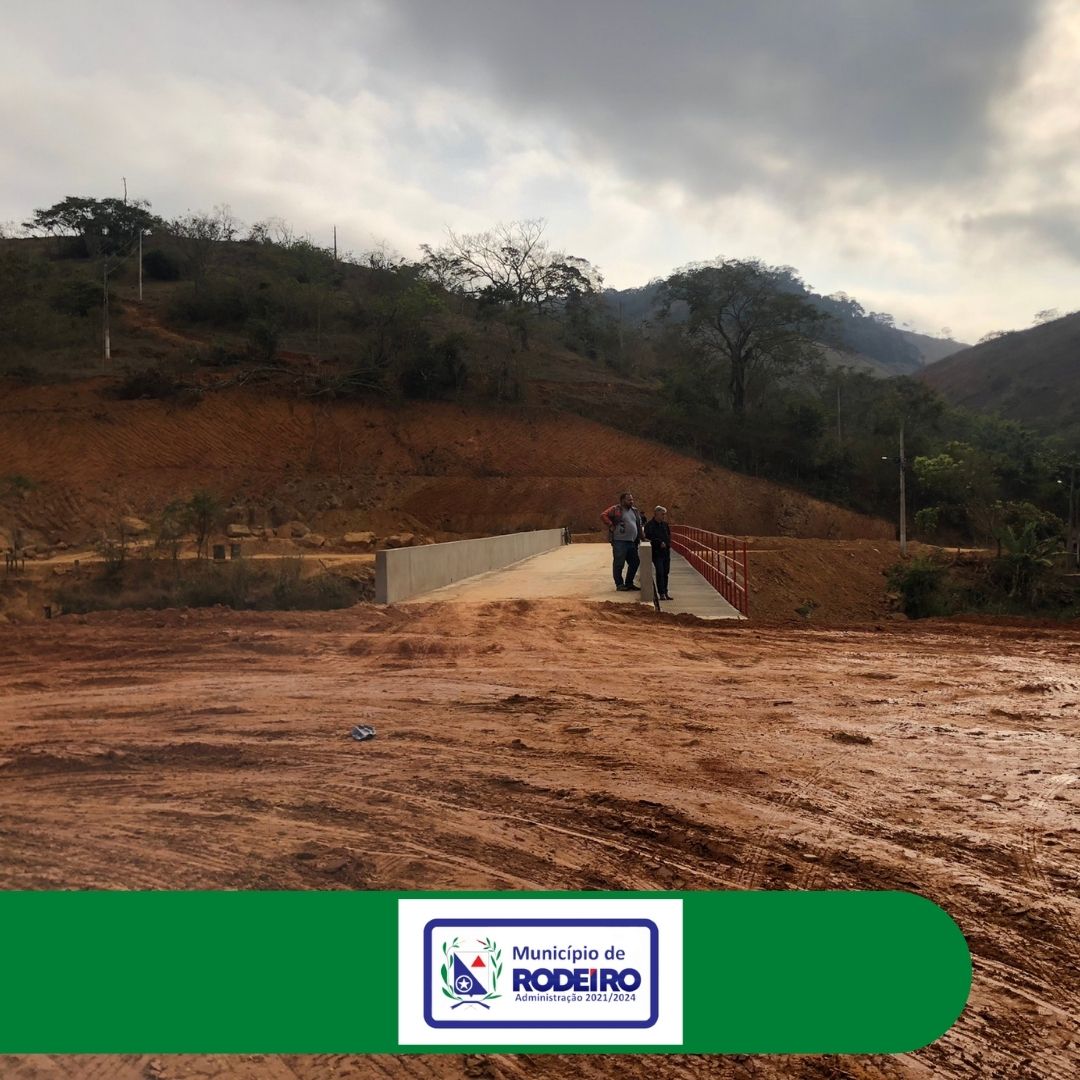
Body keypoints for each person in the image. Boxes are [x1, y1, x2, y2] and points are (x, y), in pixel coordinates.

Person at [601, 492, 645, 591]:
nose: (631, 501)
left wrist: (642, 538)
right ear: (622, 501)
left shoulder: (634, 511)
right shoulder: (616, 509)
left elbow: (638, 526)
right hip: (619, 541)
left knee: (635, 562)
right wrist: (610, 525)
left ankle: (629, 583)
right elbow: (603, 515)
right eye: (629, 500)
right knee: (619, 563)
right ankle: (619, 584)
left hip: (632, 542)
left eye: (632, 500)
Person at [644, 505, 673, 600]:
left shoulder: (665, 525)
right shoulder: (650, 525)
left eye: (664, 514)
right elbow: (648, 537)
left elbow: (668, 536)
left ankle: (665, 591)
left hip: (666, 552)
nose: (664, 516)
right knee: (660, 572)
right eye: (662, 514)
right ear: (656, 514)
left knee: (665, 572)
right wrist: (659, 542)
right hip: (656, 552)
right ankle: (661, 593)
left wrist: (667, 544)